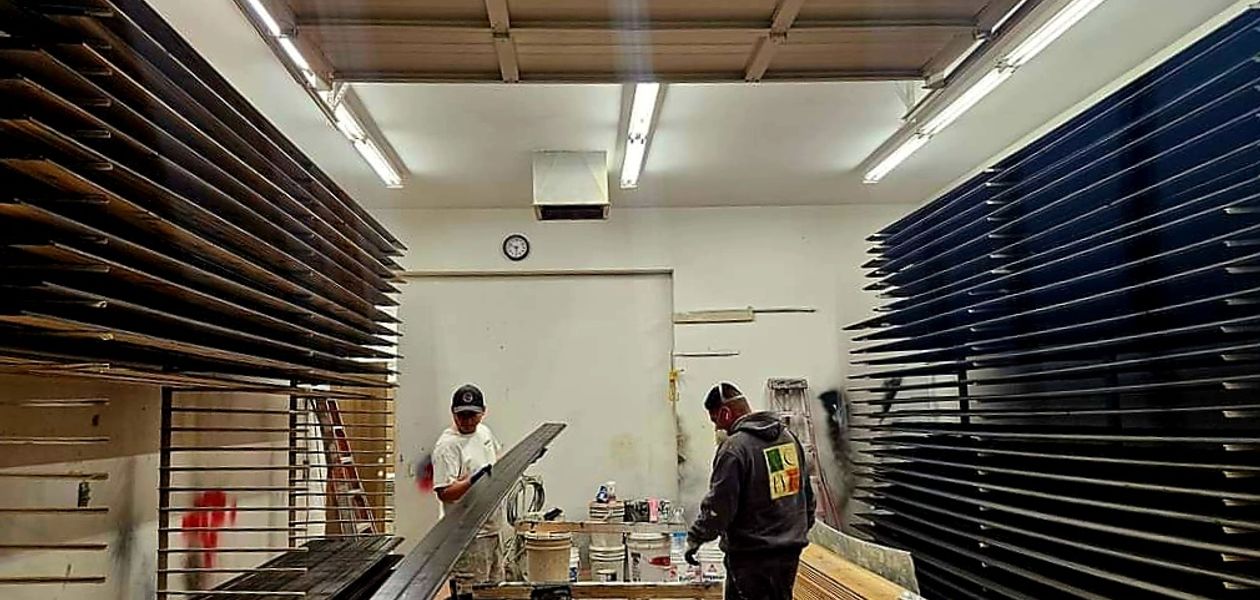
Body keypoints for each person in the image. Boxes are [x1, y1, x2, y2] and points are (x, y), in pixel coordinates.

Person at [686, 381, 815, 600]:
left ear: (726, 413)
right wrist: (795, 532)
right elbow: (807, 497)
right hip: (789, 554)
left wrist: (696, 538)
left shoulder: (734, 449)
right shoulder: (789, 439)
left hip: (751, 558)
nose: (717, 428)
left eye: (715, 420)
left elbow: (720, 505)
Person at [432, 384, 505, 596]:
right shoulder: (447, 446)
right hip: (468, 536)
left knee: (494, 590)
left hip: (492, 529)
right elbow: (444, 492)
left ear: (483, 412)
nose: (467, 421)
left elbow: (496, 461)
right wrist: (473, 479)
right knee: (470, 592)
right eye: (461, 416)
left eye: (473, 415)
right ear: (453, 413)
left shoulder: (484, 433)